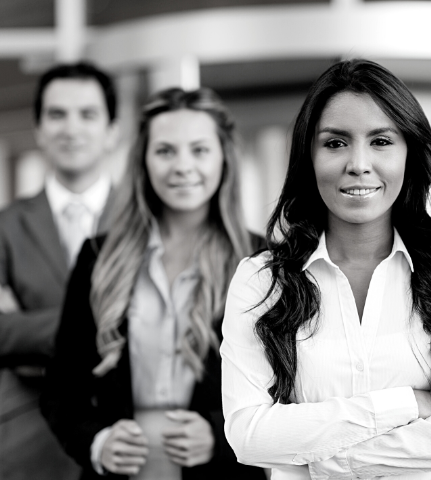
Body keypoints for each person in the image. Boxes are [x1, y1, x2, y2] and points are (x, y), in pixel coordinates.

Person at [220, 59, 431, 480]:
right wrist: (407, 404)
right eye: (335, 143)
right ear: (309, 156)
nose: (358, 163)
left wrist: (330, 459)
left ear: (410, 151)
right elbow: (249, 436)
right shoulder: (262, 280)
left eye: (381, 141)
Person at [40, 87, 265, 480]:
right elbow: (61, 389)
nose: (181, 166)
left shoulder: (263, 263)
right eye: (165, 151)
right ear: (143, 161)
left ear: (224, 159)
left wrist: (219, 434)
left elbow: (290, 392)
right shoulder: (98, 256)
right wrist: (97, 442)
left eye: (199, 150)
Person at [0, 62, 119, 480]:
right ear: (38, 129)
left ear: (111, 130)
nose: (71, 129)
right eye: (56, 115)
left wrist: (29, 325)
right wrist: (96, 327)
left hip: (126, 434)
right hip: (26, 438)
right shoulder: (6, 225)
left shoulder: (149, 221)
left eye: (87, 114)